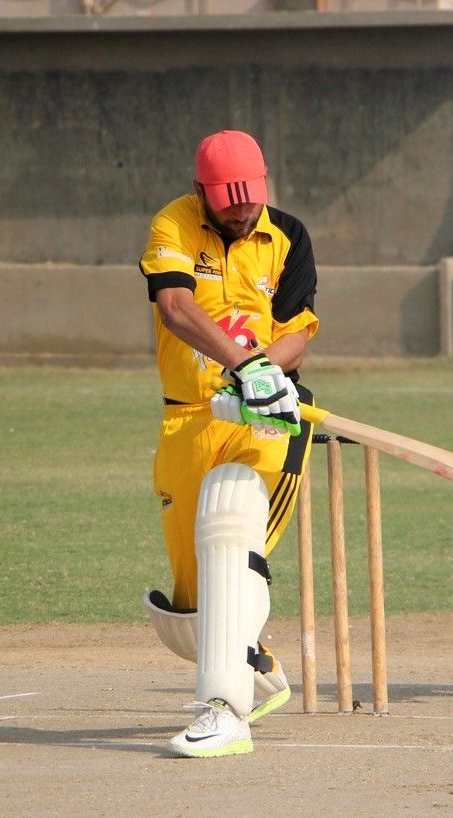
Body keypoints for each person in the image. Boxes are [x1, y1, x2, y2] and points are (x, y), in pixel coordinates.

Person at [138, 129, 320, 757]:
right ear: (200, 191)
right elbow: (175, 308)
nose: (242, 211)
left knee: (230, 541)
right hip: (189, 419)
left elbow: (298, 331)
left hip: (267, 418)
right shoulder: (174, 224)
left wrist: (265, 373)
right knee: (191, 609)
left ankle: (224, 710)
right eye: (227, 201)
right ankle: (255, 667)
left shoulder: (288, 235)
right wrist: (244, 365)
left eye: (251, 199)